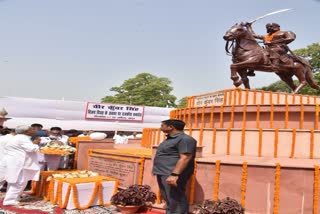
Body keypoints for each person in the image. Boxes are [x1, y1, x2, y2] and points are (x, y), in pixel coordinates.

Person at [152, 119, 197, 214]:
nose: (161, 127)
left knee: (176, 199)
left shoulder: (185, 139)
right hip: (163, 172)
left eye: (163, 125)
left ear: (171, 127)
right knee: (169, 199)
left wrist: (174, 174)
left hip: (172, 174)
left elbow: (185, 158)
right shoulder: (170, 139)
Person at [0, 125, 40, 206]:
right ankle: (10, 201)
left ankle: (14, 198)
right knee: (19, 182)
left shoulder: (19, 137)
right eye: (31, 129)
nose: (34, 130)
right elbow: (31, 149)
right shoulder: (22, 138)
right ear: (26, 131)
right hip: (17, 163)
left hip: (15, 162)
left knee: (16, 181)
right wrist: (36, 144)